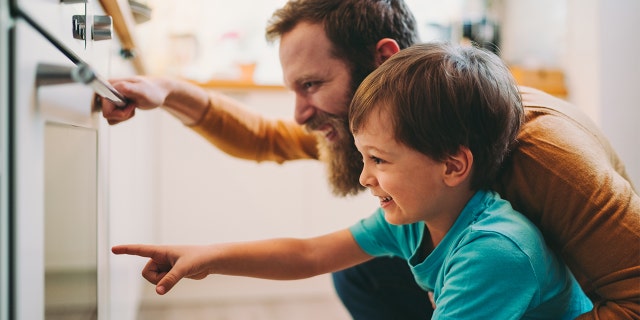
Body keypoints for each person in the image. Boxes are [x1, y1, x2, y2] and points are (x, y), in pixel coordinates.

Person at [101, 0, 640, 319]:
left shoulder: (542, 156)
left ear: (381, 59)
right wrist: (168, 91)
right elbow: (272, 150)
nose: (299, 116)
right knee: (361, 273)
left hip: (551, 292)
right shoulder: (405, 127)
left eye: (312, 85)